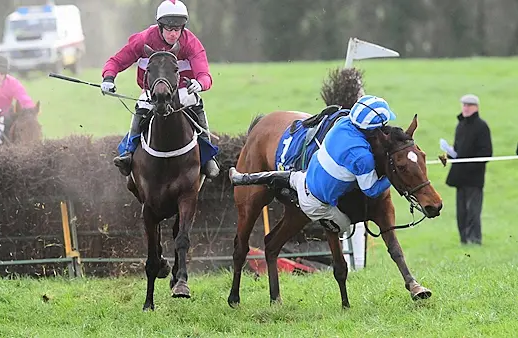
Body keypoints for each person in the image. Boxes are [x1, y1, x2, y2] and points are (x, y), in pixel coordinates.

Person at [233, 95, 396, 234]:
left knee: (280, 177)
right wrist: (391, 174)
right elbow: (371, 189)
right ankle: (241, 178)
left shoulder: (341, 126)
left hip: (300, 179)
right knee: (343, 227)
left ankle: (240, 178)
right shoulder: (360, 156)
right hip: (313, 202)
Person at [100, 0, 220, 178]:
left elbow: (205, 74)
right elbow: (116, 61)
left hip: (181, 90)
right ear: (160, 26)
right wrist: (109, 77)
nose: (173, 34)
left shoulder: (191, 42)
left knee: (195, 101)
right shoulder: (143, 40)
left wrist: (200, 84)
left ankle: (208, 156)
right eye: (169, 29)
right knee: (142, 105)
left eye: (178, 29)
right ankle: (128, 152)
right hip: (153, 92)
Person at [443, 94, 492, 245]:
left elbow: (486, 152)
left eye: (468, 105)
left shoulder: (482, 126)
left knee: (473, 211)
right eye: (463, 105)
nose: (465, 108)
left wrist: (469, 165)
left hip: (474, 178)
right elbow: (458, 150)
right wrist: (450, 154)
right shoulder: (461, 125)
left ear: (475, 107)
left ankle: (475, 240)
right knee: (461, 212)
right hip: (460, 177)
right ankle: (464, 240)